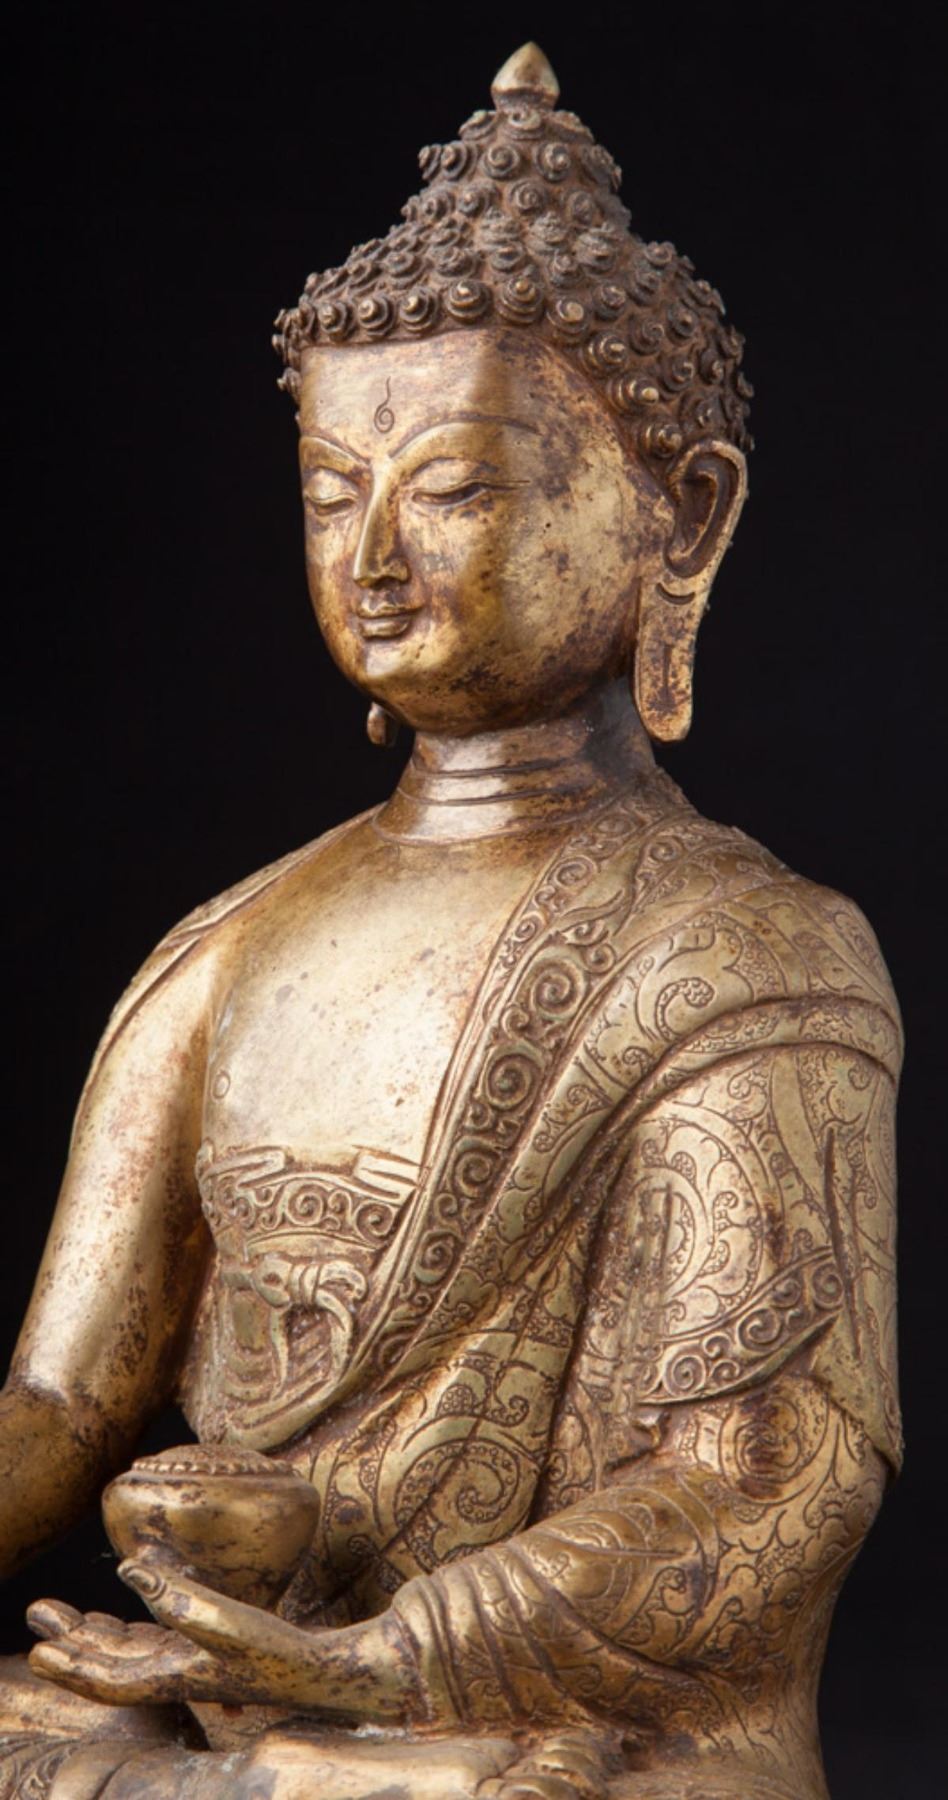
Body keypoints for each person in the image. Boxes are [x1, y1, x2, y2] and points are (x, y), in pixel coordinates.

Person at [0, 44, 900, 1800]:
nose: (377, 557)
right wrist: (261, 1669)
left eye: (458, 489)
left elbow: (765, 1494)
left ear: (682, 515)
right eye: (333, 493)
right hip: (233, 1698)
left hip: (558, 1729)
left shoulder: (748, 952)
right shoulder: (230, 948)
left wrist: (373, 1661)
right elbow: (59, 1404)